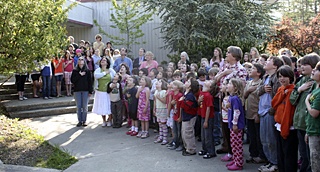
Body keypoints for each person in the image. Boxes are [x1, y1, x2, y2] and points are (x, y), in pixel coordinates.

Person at [290, 53, 320, 172]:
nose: (301, 67)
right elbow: (292, 99)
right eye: (301, 65)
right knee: (304, 154)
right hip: (299, 121)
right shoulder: (301, 80)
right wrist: (299, 89)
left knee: (311, 157)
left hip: (308, 124)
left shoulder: (314, 84)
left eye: (305, 64)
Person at [256, 56, 284, 172]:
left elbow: (279, 97)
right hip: (262, 111)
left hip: (269, 112)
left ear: (275, 66)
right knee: (264, 139)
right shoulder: (265, 77)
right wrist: (263, 89)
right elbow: (258, 91)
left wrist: (272, 110)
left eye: (268, 61)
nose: (265, 62)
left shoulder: (277, 79)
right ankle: (269, 161)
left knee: (271, 140)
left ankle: (275, 163)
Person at [271, 65, 298, 172]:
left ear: (290, 77)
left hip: (287, 128)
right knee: (280, 155)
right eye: (280, 76)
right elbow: (274, 103)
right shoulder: (281, 89)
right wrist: (282, 93)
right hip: (279, 126)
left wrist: (285, 130)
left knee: (289, 156)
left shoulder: (292, 90)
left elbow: (288, 113)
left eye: (285, 76)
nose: (282, 79)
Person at [243, 63, 267, 164]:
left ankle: (261, 155)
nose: (250, 70)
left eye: (253, 68)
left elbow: (261, 100)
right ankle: (253, 154)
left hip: (257, 113)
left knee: (258, 136)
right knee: (251, 135)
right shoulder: (249, 83)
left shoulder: (261, 83)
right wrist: (248, 91)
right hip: (248, 113)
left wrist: (258, 114)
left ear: (258, 73)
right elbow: (244, 96)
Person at [225, 78, 245, 171]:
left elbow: (237, 112)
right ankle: (235, 159)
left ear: (235, 87)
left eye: (229, 83)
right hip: (232, 124)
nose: (227, 85)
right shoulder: (231, 98)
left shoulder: (235, 99)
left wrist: (235, 124)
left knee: (237, 144)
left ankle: (239, 162)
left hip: (236, 125)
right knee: (233, 144)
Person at [305, 61, 320, 172]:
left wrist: (307, 101)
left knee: (316, 161)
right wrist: (307, 131)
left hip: (317, 131)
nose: (313, 71)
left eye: (317, 69)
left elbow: (314, 113)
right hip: (312, 129)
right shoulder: (315, 87)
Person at [92, 57, 116, 127]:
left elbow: (115, 76)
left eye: (104, 60)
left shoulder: (111, 70)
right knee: (102, 106)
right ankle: (104, 120)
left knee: (108, 106)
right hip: (100, 91)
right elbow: (96, 76)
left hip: (108, 91)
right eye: (102, 60)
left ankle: (110, 120)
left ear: (107, 62)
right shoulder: (98, 70)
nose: (103, 61)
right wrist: (105, 73)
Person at [71, 57, 93, 127]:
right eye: (79, 60)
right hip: (77, 91)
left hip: (85, 91)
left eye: (82, 60)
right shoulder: (75, 71)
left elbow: (90, 82)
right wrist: (79, 75)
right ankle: (79, 121)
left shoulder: (87, 71)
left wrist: (90, 91)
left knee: (84, 106)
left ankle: (84, 120)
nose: (80, 61)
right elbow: (72, 80)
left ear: (84, 61)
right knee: (79, 106)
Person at [179, 78, 199, 156]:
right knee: (184, 132)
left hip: (189, 116)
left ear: (190, 86)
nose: (185, 82)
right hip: (186, 116)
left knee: (188, 132)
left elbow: (188, 107)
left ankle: (191, 149)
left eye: (187, 82)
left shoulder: (190, 95)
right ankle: (187, 147)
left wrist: (181, 101)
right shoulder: (186, 93)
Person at [198, 80, 217, 159]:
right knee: (203, 135)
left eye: (209, 82)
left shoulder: (208, 96)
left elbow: (209, 108)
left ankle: (211, 151)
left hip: (208, 118)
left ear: (210, 87)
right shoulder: (201, 93)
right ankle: (205, 149)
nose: (207, 81)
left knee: (208, 135)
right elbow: (199, 103)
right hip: (202, 116)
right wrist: (199, 101)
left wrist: (206, 121)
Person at [167, 80, 184, 151]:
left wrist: (180, 116)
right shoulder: (173, 94)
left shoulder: (180, 95)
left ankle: (180, 144)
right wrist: (172, 103)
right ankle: (175, 143)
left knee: (179, 130)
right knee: (175, 130)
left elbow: (181, 107)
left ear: (178, 87)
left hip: (178, 115)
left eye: (174, 85)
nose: (172, 86)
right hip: (175, 114)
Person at [153, 79, 169, 145]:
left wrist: (158, 97)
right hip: (158, 109)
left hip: (163, 109)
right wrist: (154, 109)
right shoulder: (156, 91)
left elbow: (165, 101)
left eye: (159, 82)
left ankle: (165, 138)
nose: (157, 83)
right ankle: (160, 136)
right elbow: (155, 101)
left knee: (163, 124)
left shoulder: (164, 91)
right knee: (160, 124)